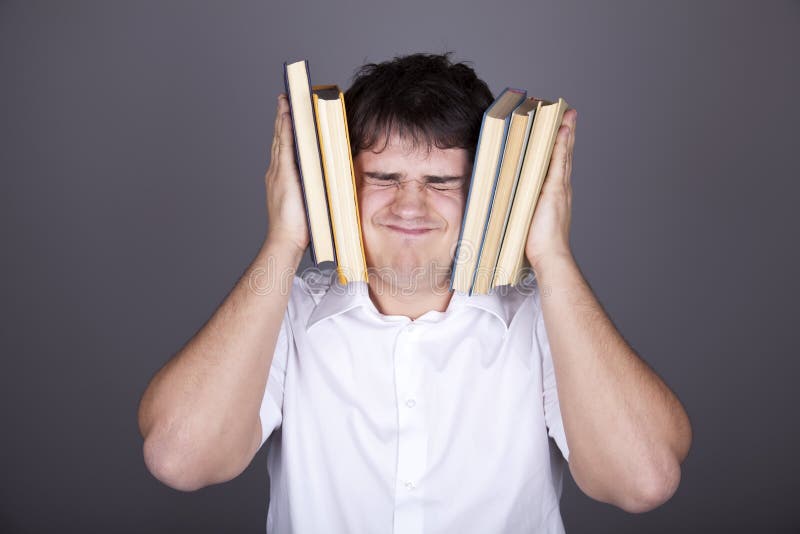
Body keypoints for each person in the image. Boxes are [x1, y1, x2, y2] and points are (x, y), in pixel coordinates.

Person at [138, 53, 692, 533]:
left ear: (483, 193)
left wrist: (551, 255)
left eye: (440, 182)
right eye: (383, 178)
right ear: (339, 185)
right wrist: (285, 238)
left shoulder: (546, 319)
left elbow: (643, 481)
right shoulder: (284, 314)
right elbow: (179, 459)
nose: (409, 206)